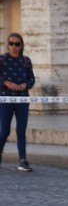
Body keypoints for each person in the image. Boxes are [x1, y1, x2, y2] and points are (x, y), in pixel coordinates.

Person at [0, 32, 35, 171]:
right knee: (5, 131)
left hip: (22, 100)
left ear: (21, 45)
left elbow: (31, 79)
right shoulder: (2, 60)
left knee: (21, 130)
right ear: (8, 45)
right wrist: (6, 83)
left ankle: (23, 160)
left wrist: (26, 85)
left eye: (17, 44)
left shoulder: (26, 60)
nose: (14, 46)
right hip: (5, 99)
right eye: (11, 43)